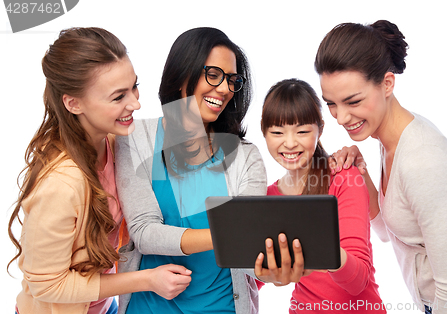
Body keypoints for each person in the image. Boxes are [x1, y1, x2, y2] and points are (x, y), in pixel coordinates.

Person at [315, 20, 447, 314]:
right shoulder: (388, 137)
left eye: (352, 101)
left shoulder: (421, 160)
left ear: (387, 84)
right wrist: (362, 173)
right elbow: (390, 231)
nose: (341, 117)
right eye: (332, 104)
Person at [7, 27, 192, 314]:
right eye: (118, 97)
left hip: (103, 308)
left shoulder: (115, 143)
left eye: (134, 86)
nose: (135, 103)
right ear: (73, 103)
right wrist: (145, 280)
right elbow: (46, 285)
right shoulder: (60, 185)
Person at [115, 27, 267, 314]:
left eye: (232, 80)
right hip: (149, 307)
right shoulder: (135, 139)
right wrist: (226, 236)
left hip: (222, 307)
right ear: (183, 73)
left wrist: (272, 271)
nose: (224, 89)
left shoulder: (245, 156)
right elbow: (145, 232)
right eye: (213, 75)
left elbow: (249, 249)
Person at [255, 78, 386, 313]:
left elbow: (357, 281)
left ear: (320, 129)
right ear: (264, 132)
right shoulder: (267, 198)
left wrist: (315, 241)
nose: (290, 143)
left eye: (302, 131)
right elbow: (252, 279)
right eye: (277, 132)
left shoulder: (345, 176)